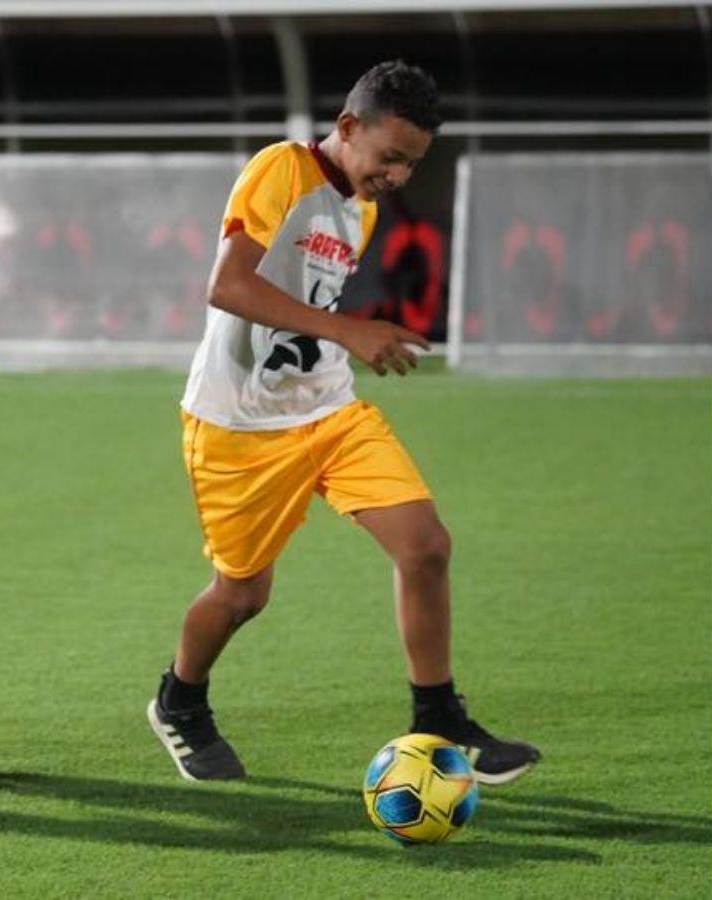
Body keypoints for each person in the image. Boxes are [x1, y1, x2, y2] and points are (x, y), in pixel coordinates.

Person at [147, 61, 541, 785]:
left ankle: (437, 716)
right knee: (242, 595)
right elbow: (228, 286)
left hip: (329, 409)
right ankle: (180, 701)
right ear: (348, 127)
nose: (396, 176)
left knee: (425, 547)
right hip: (240, 425)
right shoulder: (282, 170)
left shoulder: (360, 208)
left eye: (411, 164)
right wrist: (350, 329)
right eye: (389, 156)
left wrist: (341, 341)